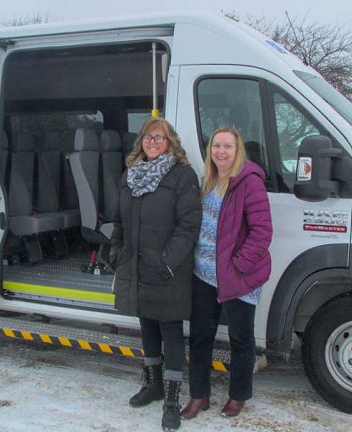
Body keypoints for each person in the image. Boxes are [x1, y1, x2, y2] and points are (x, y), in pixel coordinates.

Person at [111, 117, 202, 431]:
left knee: (171, 332)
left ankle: (173, 398)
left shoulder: (182, 176)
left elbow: (189, 227)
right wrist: (116, 251)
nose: (152, 142)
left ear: (170, 143)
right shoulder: (130, 176)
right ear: (141, 142)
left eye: (159, 138)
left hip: (167, 271)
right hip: (136, 266)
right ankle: (153, 385)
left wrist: (167, 262)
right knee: (147, 325)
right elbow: (119, 222)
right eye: (148, 137)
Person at [181, 127, 273, 419]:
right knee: (199, 337)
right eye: (216, 146)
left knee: (241, 340)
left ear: (238, 150)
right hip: (203, 275)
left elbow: (262, 232)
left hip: (237, 276)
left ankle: (238, 395)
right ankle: (199, 395)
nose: (221, 151)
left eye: (227, 146)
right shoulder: (207, 181)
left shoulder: (249, 183)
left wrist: (238, 266)